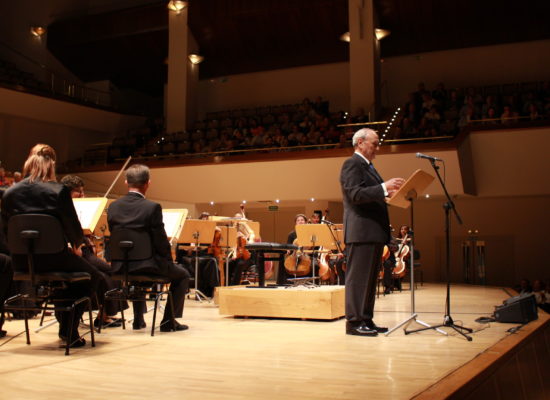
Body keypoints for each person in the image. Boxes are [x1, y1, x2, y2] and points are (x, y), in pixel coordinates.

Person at [1, 144, 104, 347]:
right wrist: (76, 245)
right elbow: (73, 230)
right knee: (93, 277)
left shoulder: (9, 193)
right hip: (54, 257)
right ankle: (69, 330)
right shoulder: (58, 191)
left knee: (68, 277)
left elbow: (7, 231)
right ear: (51, 165)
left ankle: (64, 324)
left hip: (21, 261)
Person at [107, 164, 190, 332]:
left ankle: (139, 319)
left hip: (121, 267)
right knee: (182, 275)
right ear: (147, 184)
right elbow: (160, 241)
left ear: (126, 182)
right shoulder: (152, 207)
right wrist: (169, 261)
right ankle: (168, 321)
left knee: (138, 270)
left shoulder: (113, 207)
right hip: (148, 266)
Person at [340, 128, 404, 336]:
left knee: (369, 280)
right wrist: (384, 188)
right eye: (374, 143)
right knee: (358, 280)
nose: (378, 147)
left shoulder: (369, 167)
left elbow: (372, 195)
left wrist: (389, 194)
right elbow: (355, 194)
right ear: (360, 143)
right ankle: (354, 323)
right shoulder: (352, 164)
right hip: (361, 232)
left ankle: (366, 319)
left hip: (372, 232)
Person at [60, 174, 126, 327]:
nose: (82, 195)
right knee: (107, 273)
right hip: (75, 251)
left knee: (109, 273)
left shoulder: (79, 207)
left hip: (84, 249)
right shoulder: (64, 208)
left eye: (83, 192)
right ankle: (104, 316)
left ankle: (104, 315)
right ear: (68, 192)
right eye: (78, 192)